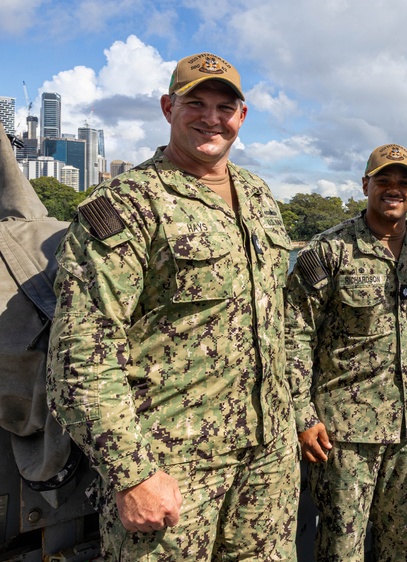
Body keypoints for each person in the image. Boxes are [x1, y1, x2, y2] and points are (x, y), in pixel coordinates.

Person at [46, 52, 299, 560]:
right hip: (173, 466)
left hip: (269, 460)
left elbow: (279, 318)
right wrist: (131, 472)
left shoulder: (258, 196)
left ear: (242, 117)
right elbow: (81, 352)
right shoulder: (128, 203)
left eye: (225, 107)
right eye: (195, 103)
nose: (211, 118)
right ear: (168, 108)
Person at [286, 143, 407, 561]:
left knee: (405, 546)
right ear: (365, 185)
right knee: (341, 549)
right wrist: (303, 412)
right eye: (384, 181)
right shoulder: (328, 251)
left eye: (404, 183)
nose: (394, 190)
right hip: (344, 435)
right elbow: (294, 334)